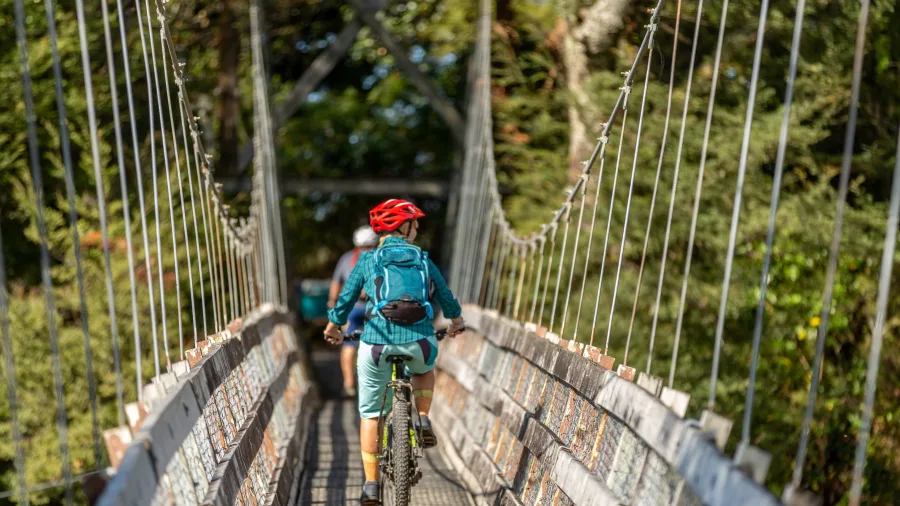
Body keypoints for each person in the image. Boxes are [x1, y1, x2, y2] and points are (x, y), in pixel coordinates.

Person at [324, 199, 466, 505]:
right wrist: (457, 322)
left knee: (370, 414)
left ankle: (371, 485)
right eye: (415, 223)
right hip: (420, 341)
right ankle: (424, 418)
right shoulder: (423, 260)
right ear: (403, 227)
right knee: (425, 369)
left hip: (376, 343)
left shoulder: (367, 260)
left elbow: (346, 299)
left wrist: (334, 326)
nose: (417, 228)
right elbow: (446, 296)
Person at [329, 225, 380, 398]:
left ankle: (349, 384)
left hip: (353, 308)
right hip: (377, 309)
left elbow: (336, 282)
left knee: (348, 344)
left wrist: (332, 303)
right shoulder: (381, 257)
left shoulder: (348, 258)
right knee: (380, 343)